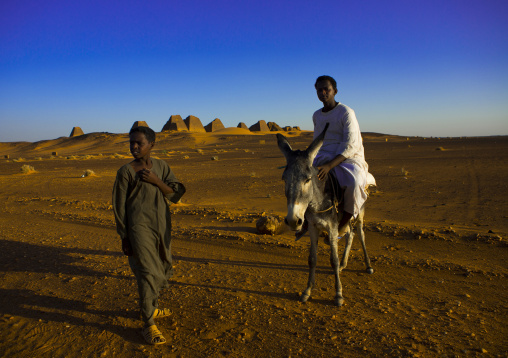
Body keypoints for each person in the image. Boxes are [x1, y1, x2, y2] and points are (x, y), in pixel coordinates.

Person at [112, 126, 186, 345]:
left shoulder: (162, 167)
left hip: (161, 225)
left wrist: (157, 181)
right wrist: (124, 236)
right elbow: (119, 207)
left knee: (160, 265)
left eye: (139, 143)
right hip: (138, 228)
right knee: (147, 271)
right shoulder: (126, 172)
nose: (134, 147)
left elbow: (176, 194)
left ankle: (151, 308)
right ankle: (148, 324)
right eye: (131, 142)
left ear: (151, 145)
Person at [297, 75, 375, 239]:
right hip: (323, 156)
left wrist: (330, 166)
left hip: (347, 157)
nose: (323, 92)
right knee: (300, 179)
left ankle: (342, 225)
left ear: (335, 91)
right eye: (319, 90)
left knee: (353, 183)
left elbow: (352, 144)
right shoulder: (317, 115)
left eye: (327, 89)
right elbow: (318, 141)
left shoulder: (346, 112)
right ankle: (304, 219)